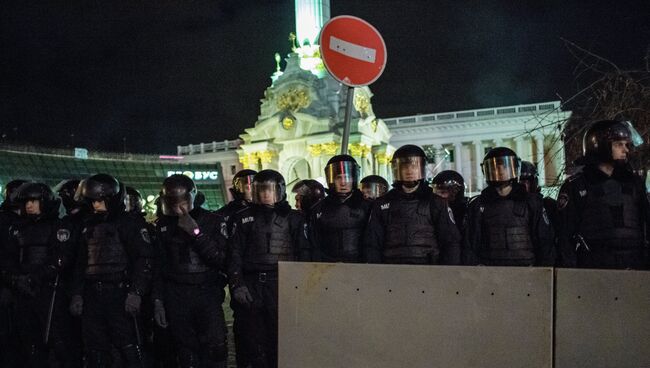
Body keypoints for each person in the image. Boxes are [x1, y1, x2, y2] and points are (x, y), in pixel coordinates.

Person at [69, 174, 154, 367]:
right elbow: (80, 264)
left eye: (99, 200)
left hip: (120, 293)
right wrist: (77, 294)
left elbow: (144, 259)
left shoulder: (129, 223)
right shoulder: (87, 225)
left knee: (130, 346)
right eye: (92, 201)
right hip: (92, 294)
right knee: (96, 348)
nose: (95, 205)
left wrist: (136, 292)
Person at [228, 169, 309, 368]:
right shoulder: (242, 218)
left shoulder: (294, 218)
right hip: (252, 284)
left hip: (282, 283)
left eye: (270, 190)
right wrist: (237, 284)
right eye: (261, 190)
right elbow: (234, 254)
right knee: (254, 340)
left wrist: (300, 287)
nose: (265, 194)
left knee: (282, 337)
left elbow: (304, 252)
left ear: (280, 191)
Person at [151, 174, 229, 367]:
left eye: (182, 202)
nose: (178, 208)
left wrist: (196, 233)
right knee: (185, 350)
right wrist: (158, 301)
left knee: (215, 346)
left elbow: (221, 260)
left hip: (207, 291)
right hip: (176, 294)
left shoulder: (213, 221)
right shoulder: (161, 226)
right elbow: (158, 267)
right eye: (173, 203)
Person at [1, 182, 80, 366]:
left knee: (59, 344)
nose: (29, 205)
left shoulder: (59, 227)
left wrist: (37, 277)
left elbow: (61, 258)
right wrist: (15, 279)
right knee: (28, 343)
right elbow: (8, 258)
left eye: (34, 200)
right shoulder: (17, 229)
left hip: (50, 292)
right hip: (22, 292)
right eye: (27, 201)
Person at [557, 120, 649, 269]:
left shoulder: (634, 183)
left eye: (626, 144)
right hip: (594, 268)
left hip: (634, 266)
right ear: (600, 146)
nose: (626, 150)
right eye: (619, 144)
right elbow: (565, 236)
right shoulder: (576, 185)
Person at [364, 144, 461, 265]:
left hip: (428, 268)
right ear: (396, 169)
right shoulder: (382, 203)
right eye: (404, 167)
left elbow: (450, 241)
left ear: (421, 168)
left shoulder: (435, 202)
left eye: (414, 167)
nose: (409, 171)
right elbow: (373, 242)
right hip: (392, 268)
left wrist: (447, 273)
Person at [463, 147, 555, 266]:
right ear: (486, 170)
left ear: (514, 167)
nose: (500, 171)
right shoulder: (478, 205)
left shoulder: (532, 202)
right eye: (495, 167)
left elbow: (545, 241)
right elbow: (471, 244)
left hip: (527, 271)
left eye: (504, 166)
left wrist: (543, 272)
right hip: (490, 272)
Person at [216, 169, 256, 368]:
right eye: (246, 185)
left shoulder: (265, 209)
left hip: (262, 273)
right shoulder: (226, 214)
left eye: (254, 185)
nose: (250, 190)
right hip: (238, 272)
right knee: (244, 323)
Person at [310, 155, 371, 263]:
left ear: (354, 179)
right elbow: (314, 242)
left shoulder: (367, 207)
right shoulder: (319, 208)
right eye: (339, 177)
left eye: (347, 177)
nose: (343, 182)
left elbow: (373, 239)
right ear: (332, 180)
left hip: (359, 265)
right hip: (327, 265)